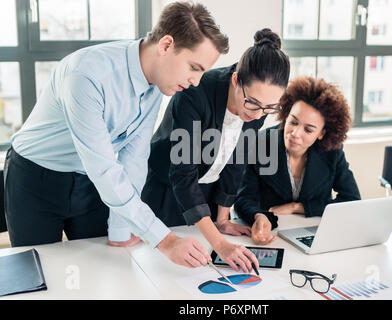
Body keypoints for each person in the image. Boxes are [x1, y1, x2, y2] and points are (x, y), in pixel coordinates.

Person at [5, 2, 229, 269]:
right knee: (38, 271)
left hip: (89, 181)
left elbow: (134, 155)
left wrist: (122, 226)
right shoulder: (87, 75)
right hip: (35, 179)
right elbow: (104, 169)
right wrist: (165, 240)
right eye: (194, 67)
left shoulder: (159, 81)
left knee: (103, 267)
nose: (197, 81)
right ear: (166, 45)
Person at [138, 29, 290, 273]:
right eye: (253, 103)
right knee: (165, 271)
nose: (258, 114)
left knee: (204, 270)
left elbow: (237, 160)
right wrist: (220, 244)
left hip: (207, 188)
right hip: (168, 187)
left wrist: (222, 220)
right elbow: (183, 172)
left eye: (269, 107)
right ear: (235, 80)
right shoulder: (196, 92)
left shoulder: (258, 106)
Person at [234, 76, 361, 245]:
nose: (295, 133)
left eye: (308, 130)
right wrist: (258, 215)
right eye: (293, 122)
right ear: (286, 115)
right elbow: (243, 199)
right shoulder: (260, 143)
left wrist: (298, 207)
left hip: (313, 236)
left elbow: (351, 200)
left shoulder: (332, 152)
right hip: (271, 234)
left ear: (322, 134)